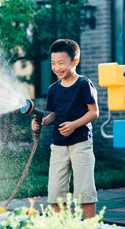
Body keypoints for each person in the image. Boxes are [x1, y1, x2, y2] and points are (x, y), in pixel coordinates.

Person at [32, 39, 99, 219]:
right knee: (56, 191)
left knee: (85, 190)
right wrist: (43, 122)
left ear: (75, 61)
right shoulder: (53, 89)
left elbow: (94, 112)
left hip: (80, 143)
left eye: (61, 63)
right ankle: (61, 224)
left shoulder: (84, 84)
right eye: (53, 63)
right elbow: (54, 115)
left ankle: (90, 224)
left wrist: (74, 124)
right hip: (59, 145)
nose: (56, 67)